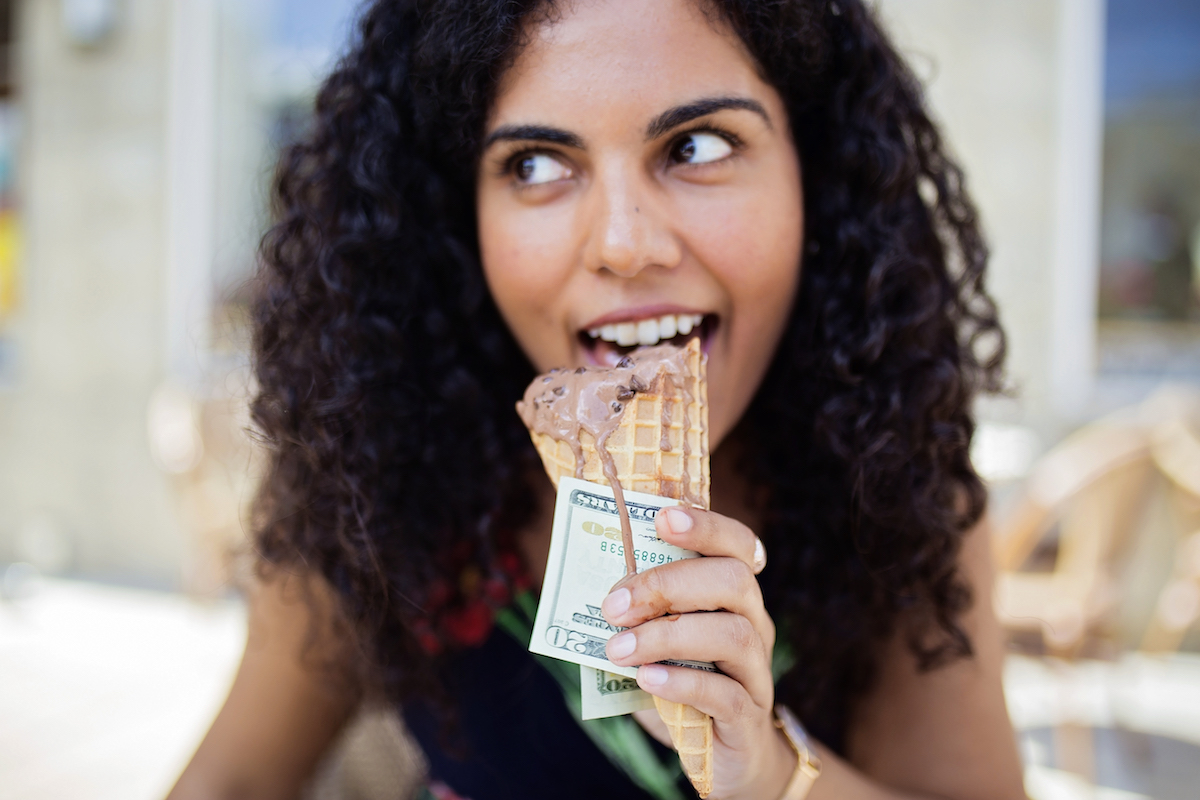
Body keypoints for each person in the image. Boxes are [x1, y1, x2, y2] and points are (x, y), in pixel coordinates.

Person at [169, 0, 1026, 798]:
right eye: (537, 165)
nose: (624, 244)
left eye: (697, 146)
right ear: (453, 215)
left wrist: (768, 771)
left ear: (819, 173)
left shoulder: (906, 498)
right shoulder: (369, 479)